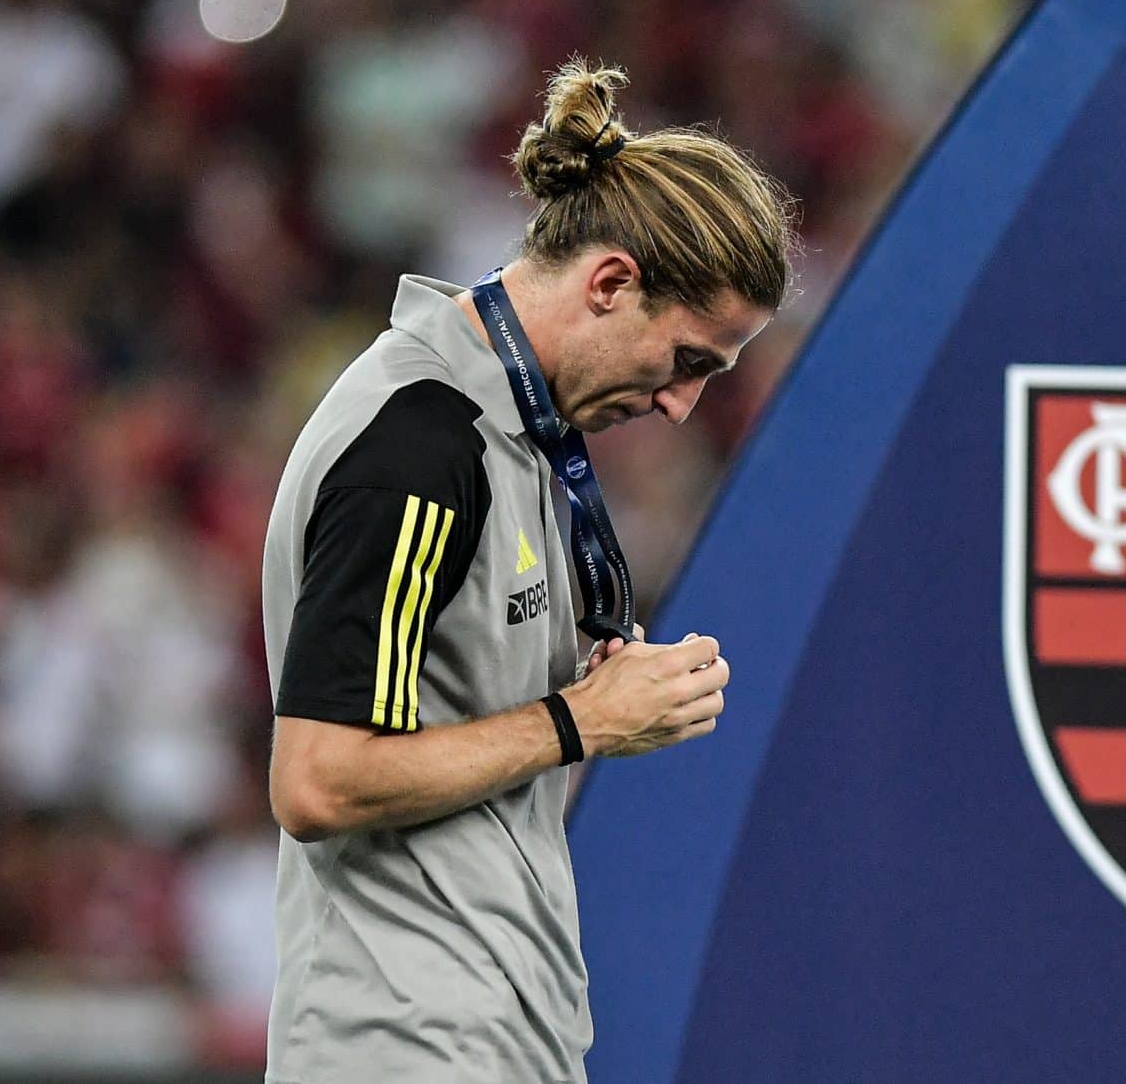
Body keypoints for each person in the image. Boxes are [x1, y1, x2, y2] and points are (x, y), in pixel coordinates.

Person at [259, 59, 795, 1082]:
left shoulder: (513, 430)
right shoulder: (419, 445)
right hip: (403, 1044)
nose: (681, 405)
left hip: (492, 1030)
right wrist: (580, 720)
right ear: (610, 283)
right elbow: (318, 777)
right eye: (688, 360)